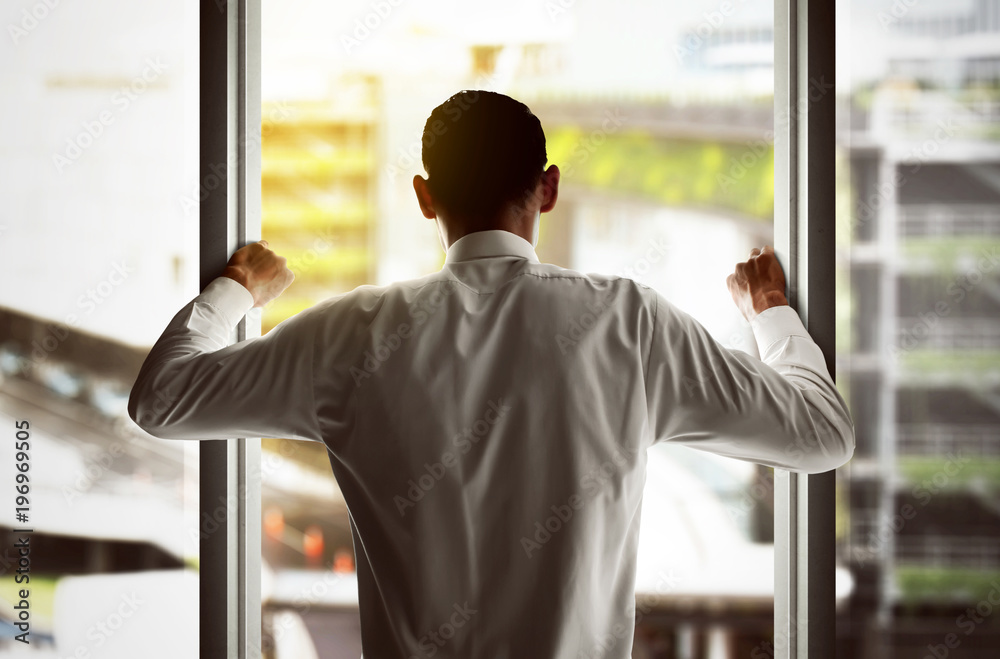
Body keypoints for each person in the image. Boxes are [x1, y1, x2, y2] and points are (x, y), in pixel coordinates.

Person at [129, 90, 854, 659]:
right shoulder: (627, 322)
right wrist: (771, 315)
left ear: (424, 196)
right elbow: (822, 434)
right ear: (548, 189)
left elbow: (161, 400)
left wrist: (236, 289)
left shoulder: (350, 333)